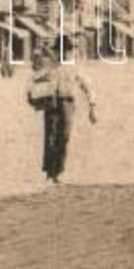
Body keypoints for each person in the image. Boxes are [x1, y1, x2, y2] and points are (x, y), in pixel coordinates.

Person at [27, 47, 96, 183]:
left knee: (64, 137)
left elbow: (88, 86)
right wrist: (31, 95)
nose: (63, 54)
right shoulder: (50, 66)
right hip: (51, 103)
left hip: (68, 104)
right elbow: (34, 80)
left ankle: (58, 170)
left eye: (66, 51)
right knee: (50, 137)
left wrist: (92, 106)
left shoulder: (75, 68)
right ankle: (49, 172)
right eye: (61, 51)